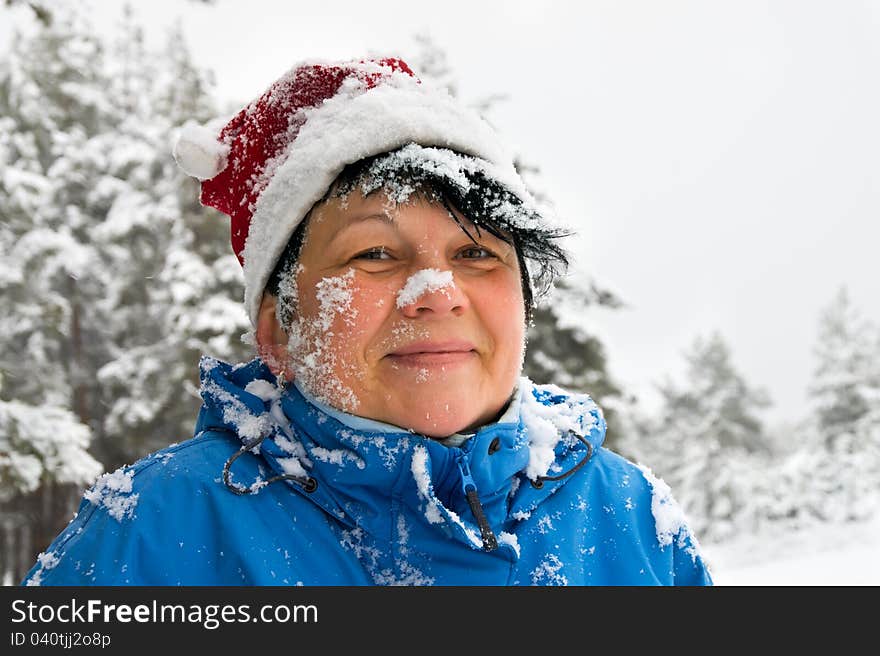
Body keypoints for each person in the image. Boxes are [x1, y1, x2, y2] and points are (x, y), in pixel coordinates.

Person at [21, 57, 713, 586]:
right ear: (277, 330)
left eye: (477, 253)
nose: (437, 292)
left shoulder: (632, 519)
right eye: (375, 253)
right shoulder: (149, 534)